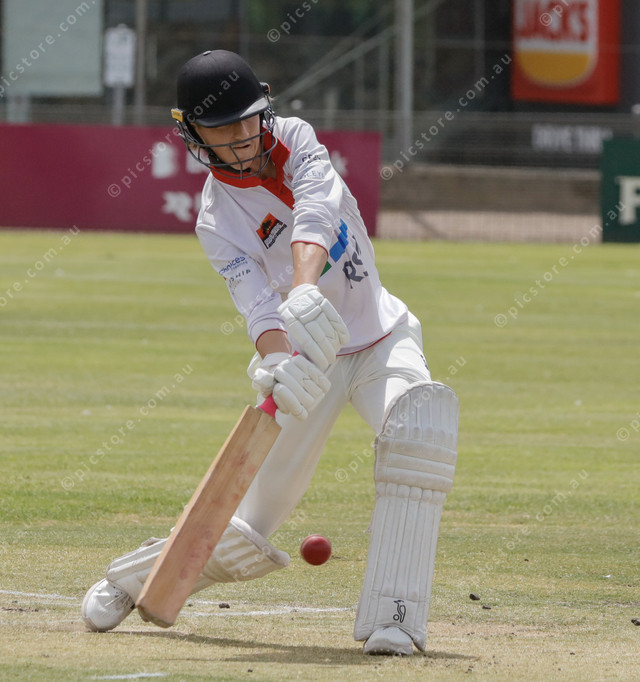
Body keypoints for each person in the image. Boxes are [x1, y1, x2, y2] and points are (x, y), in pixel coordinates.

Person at [82, 50, 459, 656]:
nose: (241, 135)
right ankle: (132, 581)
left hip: (383, 335)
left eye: (248, 118)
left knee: (420, 429)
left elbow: (317, 211)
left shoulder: (297, 139)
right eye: (222, 127)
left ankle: (396, 617)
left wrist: (304, 288)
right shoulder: (215, 220)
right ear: (192, 133)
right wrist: (277, 359)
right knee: (250, 529)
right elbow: (256, 303)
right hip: (310, 360)